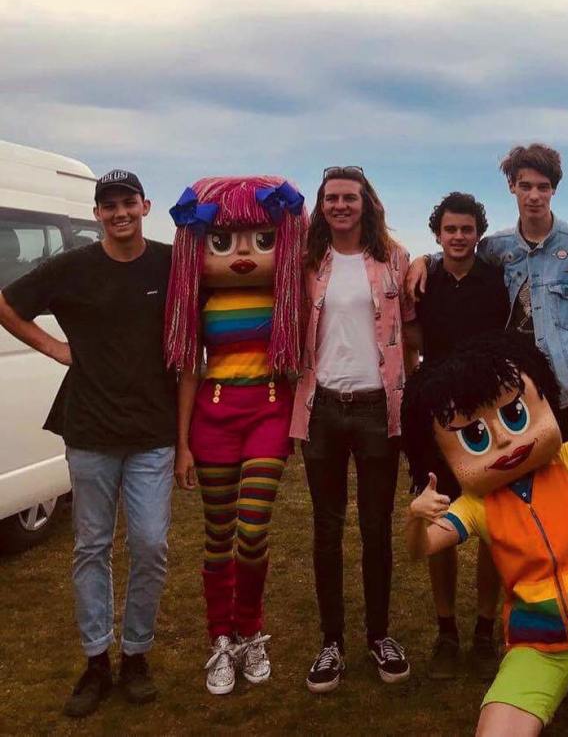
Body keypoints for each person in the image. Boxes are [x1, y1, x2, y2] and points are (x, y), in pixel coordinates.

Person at [403, 332, 568, 737]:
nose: (503, 440)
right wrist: (414, 518)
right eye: (475, 436)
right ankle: (551, 688)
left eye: (514, 414)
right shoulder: (477, 504)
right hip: (537, 650)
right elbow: (421, 548)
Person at [0, 169, 176, 717]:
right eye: (109, 205)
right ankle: (97, 660)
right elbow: (7, 304)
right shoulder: (72, 266)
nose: (120, 212)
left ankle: (136, 654)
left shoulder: (170, 263)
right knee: (91, 547)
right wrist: (55, 349)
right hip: (90, 431)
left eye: (128, 202)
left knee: (150, 544)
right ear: (97, 212)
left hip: (154, 432)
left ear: (145, 206)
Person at [165, 176, 309, 694]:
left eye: (263, 239)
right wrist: (182, 443)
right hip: (214, 417)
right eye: (223, 242)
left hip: (269, 413)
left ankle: (250, 630)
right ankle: (220, 638)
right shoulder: (199, 301)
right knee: (218, 534)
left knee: (252, 530)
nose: (244, 253)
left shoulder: (290, 296)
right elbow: (188, 369)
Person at [290, 165, 417, 693]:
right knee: (326, 528)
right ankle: (331, 642)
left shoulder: (395, 259)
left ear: (367, 203)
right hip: (321, 408)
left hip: (376, 409)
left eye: (349, 197)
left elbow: (412, 325)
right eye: (331, 198)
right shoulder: (305, 261)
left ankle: (379, 635)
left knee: (376, 527)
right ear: (320, 207)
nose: (340, 206)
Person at [407, 143, 568, 439]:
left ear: (554, 189)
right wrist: (425, 260)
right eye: (525, 186)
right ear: (512, 186)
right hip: (516, 397)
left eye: (543, 187)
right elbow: (461, 256)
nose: (534, 196)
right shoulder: (498, 247)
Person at [404, 191, 509, 679]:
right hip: (438, 417)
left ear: (478, 233)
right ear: (438, 233)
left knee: (494, 526)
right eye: (450, 230)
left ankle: (485, 631)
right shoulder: (424, 281)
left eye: (467, 229)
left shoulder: (497, 279)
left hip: (489, 417)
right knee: (439, 519)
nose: (459, 237)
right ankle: (446, 632)